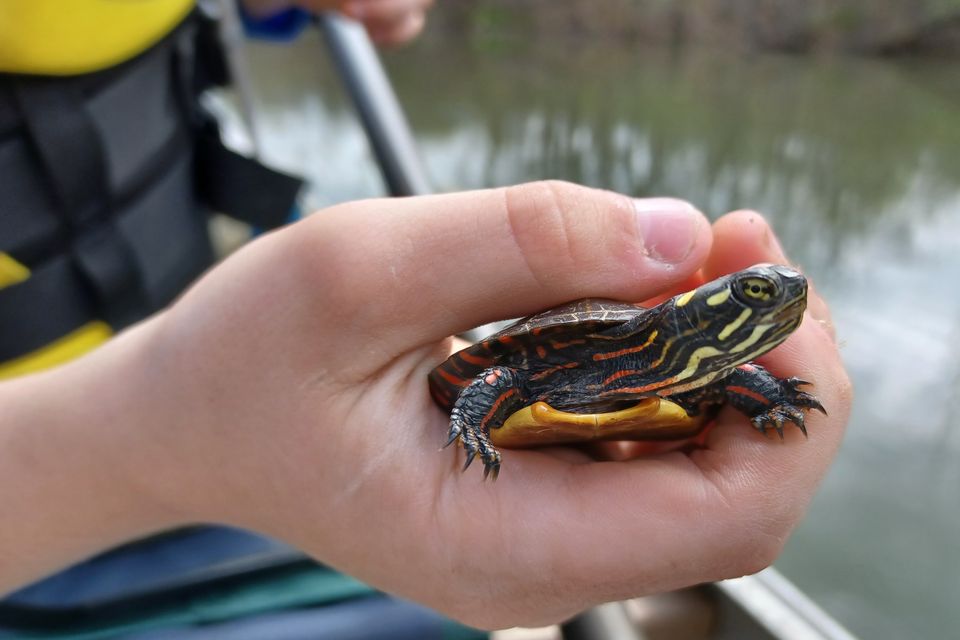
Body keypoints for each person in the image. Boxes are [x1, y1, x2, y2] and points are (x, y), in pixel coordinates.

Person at [0, 181, 852, 629]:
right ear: (695, 311)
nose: (767, 300)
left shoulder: (701, 371)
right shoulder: (602, 342)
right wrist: (471, 413)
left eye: (765, 305)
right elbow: (501, 374)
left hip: (628, 410)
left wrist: (772, 395)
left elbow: (734, 382)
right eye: (749, 298)